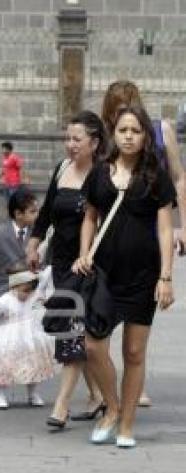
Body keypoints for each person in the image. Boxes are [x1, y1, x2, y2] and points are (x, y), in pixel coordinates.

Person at [75, 105, 176, 448]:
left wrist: (166, 277)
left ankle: (127, 424)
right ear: (113, 135)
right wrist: (84, 252)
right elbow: (90, 216)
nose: (129, 136)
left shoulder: (154, 175)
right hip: (104, 273)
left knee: (134, 352)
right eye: (123, 130)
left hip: (143, 275)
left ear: (146, 136)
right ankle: (112, 408)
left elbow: (165, 229)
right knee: (92, 344)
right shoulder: (100, 174)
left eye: (136, 131)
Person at [100, 80, 186, 407]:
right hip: (117, 232)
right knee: (106, 318)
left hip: (153, 224)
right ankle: (109, 387)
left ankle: (135, 383)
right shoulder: (113, 136)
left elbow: (178, 176)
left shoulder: (160, 131)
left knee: (139, 318)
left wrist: (181, 227)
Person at [27, 111, 107, 428]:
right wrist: (34, 243)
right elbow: (46, 211)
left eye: (77, 139)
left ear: (95, 142)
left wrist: (89, 255)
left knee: (73, 329)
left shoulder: (104, 175)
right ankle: (99, 395)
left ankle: (61, 404)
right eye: (67, 139)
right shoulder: (62, 168)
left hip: (89, 264)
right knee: (76, 329)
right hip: (60, 261)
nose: (70, 145)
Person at [0, 265, 55, 409]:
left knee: (33, 364)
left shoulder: (33, 296)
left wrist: (49, 265)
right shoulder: (4, 301)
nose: (28, 294)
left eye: (30, 290)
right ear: (14, 286)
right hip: (8, 339)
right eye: (24, 291)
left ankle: (33, 393)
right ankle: (0, 394)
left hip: (30, 337)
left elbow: (45, 277)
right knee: (4, 365)